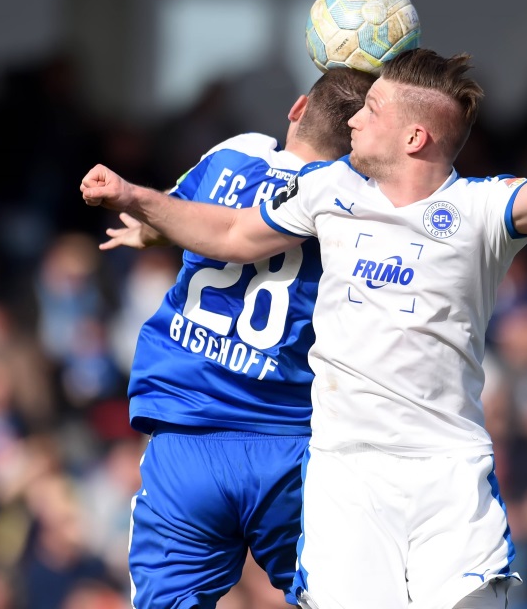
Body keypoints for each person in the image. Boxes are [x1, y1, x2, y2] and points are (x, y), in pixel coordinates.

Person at [82, 47, 527, 609]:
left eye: (372, 109)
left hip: (447, 472)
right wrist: (138, 198)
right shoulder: (330, 192)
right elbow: (232, 233)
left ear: (413, 139)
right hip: (343, 474)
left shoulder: (480, 209)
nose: (353, 119)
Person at [104, 66, 377, 609]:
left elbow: (184, 212)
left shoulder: (235, 154)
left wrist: (151, 228)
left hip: (187, 437)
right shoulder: (357, 200)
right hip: (291, 445)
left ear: (297, 108)